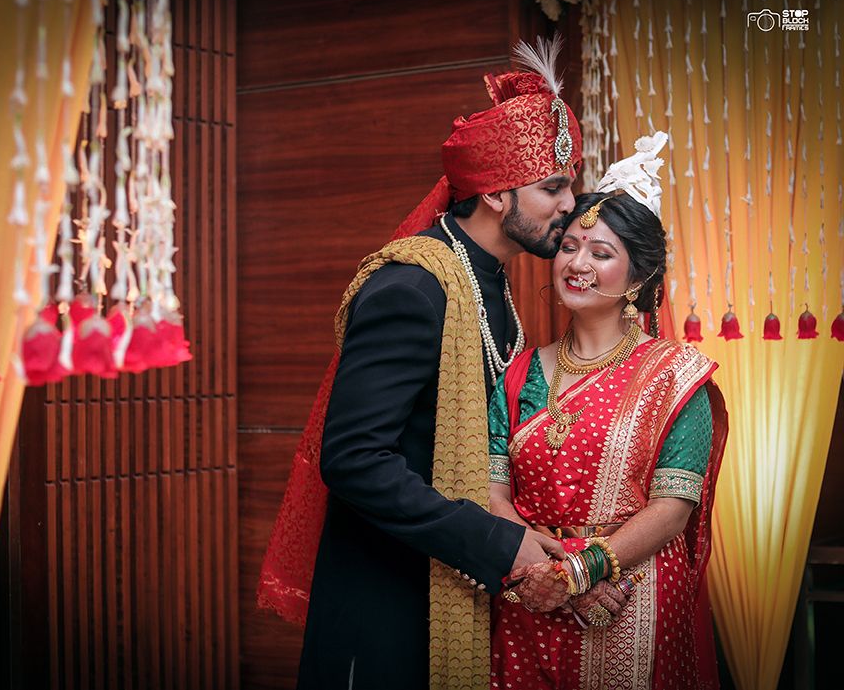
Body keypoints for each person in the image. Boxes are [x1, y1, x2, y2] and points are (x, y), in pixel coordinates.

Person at [256, 36, 582, 690]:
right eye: (553, 187)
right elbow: (352, 458)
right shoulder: (415, 284)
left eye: (570, 186)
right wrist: (494, 542)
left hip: (446, 586)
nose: (570, 205)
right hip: (384, 607)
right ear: (495, 195)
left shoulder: (490, 279)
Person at [487, 132, 728, 690]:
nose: (577, 264)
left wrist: (583, 570)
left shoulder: (675, 375)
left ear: (637, 280)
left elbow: (673, 508)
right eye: (570, 246)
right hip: (531, 593)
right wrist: (546, 576)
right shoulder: (518, 373)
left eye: (601, 254)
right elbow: (494, 491)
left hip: (630, 598)